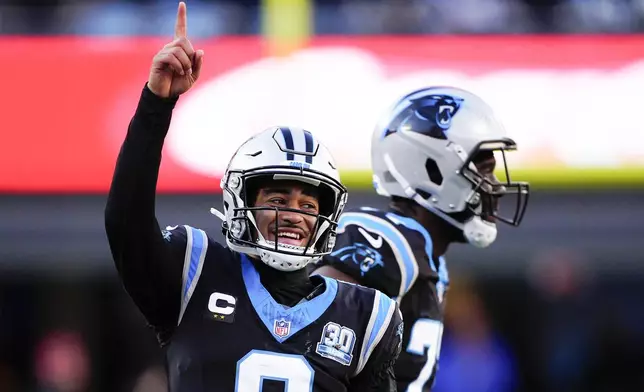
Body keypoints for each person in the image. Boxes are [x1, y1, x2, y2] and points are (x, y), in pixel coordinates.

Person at [104, 3, 403, 391]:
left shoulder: (366, 317)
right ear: (240, 202)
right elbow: (125, 222)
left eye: (308, 206)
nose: (294, 215)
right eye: (278, 201)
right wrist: (156, 105)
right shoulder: (194, 273)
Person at [310, 87, 530, 391]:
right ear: (433, 171)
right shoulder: (388, 241)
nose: (496, 187)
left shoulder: (425, 255)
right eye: (484, 171)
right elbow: (306, 333)